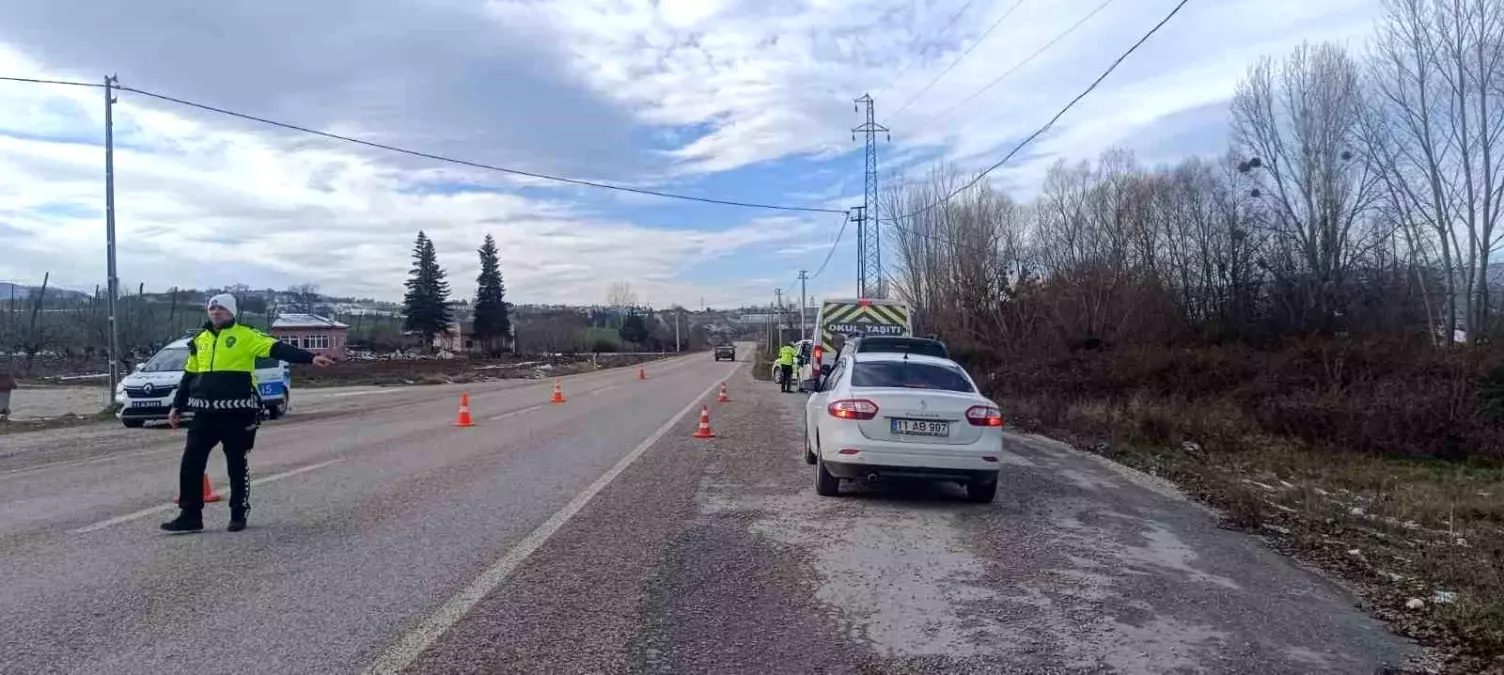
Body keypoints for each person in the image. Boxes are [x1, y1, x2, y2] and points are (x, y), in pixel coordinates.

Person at [160, 293, 334, 534]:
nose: (216, 312)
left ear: (231, 312)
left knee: (236, 464)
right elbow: (189, 375)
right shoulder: (200, 340)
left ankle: (238, 512)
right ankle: (190, 515)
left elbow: (277, 348)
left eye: (221, 308)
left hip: (237, 411)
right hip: (204, 413)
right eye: (212, 308)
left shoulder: (246, 335)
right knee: (191, 462)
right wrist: (177, 406)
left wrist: (311, 357)